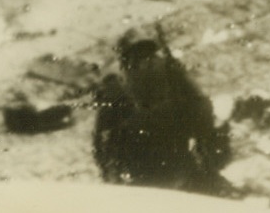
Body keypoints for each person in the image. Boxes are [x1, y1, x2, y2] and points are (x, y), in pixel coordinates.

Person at [93, 26, 232, 195]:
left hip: (161, 162)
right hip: (153, 164)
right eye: (142, 59)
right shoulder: (123, 92)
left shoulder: (169, 77)